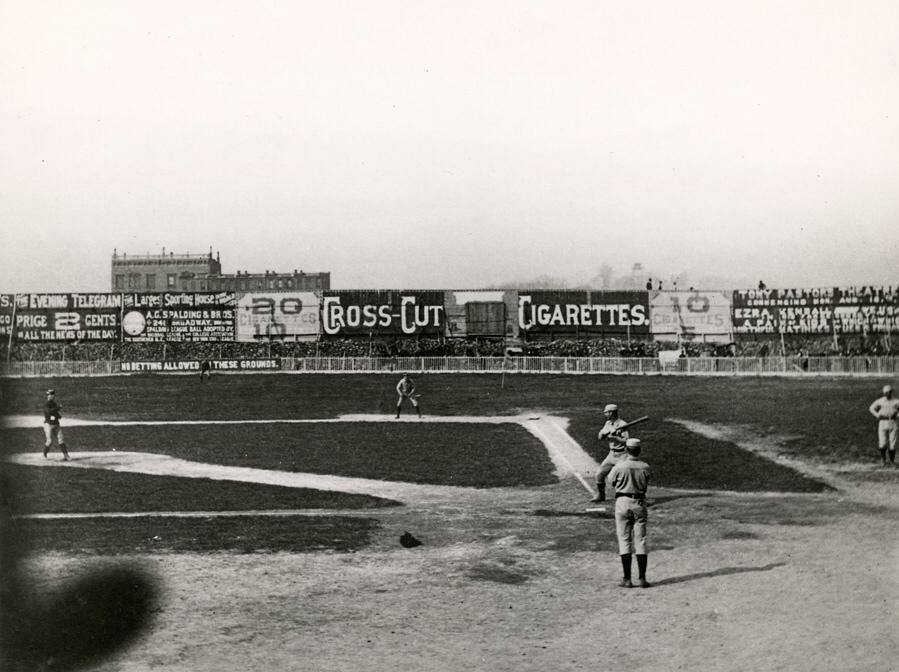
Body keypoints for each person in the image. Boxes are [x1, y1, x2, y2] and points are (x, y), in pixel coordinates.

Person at [608, 438, 652, 588]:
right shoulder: (646, 467)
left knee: (624, 539)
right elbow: (646, 483)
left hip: (622, 502)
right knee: (641, 540)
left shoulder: (620, 466)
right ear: (639, 450)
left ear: (627, 450)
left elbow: (611, 482)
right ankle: (642, 579)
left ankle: (627, 579)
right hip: (639, 503)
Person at [590, 403, 629, 502]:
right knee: (599, 475)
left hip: (622, 455)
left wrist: (615, 437)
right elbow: (600, 437)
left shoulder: (622, 424)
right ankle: (601, 496)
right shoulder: (608, 423)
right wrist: (604, 434)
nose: (605, 414)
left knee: (620, 478)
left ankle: (632, 498)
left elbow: (626, 441)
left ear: (611, 413)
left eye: (606, 412)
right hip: (611, 455)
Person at [868, 384, 899, 466]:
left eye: (889, 392)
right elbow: (871, 408)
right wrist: (877, 415)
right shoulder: (880, 401)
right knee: (882, 443)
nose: (888, 394)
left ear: (891, 392)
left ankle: (892, 461)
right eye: (886, 392)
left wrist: (897, 415)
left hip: (893, 422)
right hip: (882, 423)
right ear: (884, 393)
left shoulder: (896, 401)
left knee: (893, 443)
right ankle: (883, 460)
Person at [42, 389, 70, 461]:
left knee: (61, 439)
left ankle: (66, 455)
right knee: (49, 441)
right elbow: (49, 411)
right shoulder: (46, 404)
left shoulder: (54, 404)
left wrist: (58, 416)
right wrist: (58, 407)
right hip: (48, 424)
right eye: (49, 394)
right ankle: (44, 455)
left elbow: (54, 412)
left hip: (56, 424)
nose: (50, 396)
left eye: (51, 394)